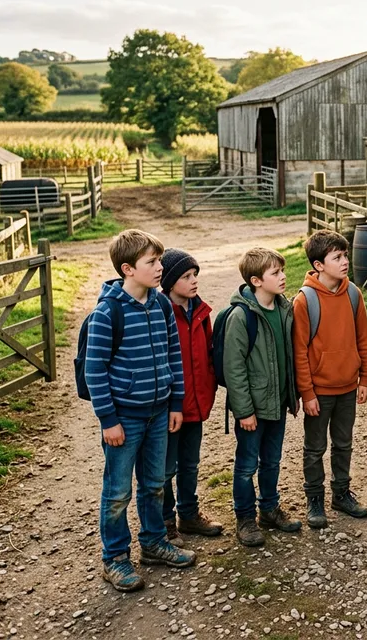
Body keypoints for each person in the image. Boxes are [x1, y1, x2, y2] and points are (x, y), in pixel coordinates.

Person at [85, 230, 195, 593]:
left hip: (160, 413)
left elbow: (173, 356)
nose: (160, 268)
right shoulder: (108, 313)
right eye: (152, 262)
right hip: (125, 419)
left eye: (159, 261)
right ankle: (115, 559)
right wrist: (109, 420)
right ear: (128, 269)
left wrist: (175, 402)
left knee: (154, 484)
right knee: (118, 491)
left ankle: (153, 544)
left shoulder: (162, 305)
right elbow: (94, 369)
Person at [293, 230, 367, 528]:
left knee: (344, 442)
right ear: (318, 265)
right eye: (336, 257)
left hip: (348, 386)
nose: (344, 262)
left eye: (345, 255)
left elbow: (363, 339)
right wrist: (307, 393)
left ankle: (341, 493)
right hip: (319, 391)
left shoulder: (353, 294)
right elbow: (299, 352)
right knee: (315, 447)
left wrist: (365, 377)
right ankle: (314, 498)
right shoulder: (305, 300)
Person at [223, 248, 302, 548]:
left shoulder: (284, 309)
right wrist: (243, 411)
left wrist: (291, 396)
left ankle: (269, 508)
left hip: (277, 403)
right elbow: (234, 368)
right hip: (252, 409)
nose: (283, 277)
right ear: (256, 281)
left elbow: (288, 356)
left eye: (282, 271)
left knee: (272, 460)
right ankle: (245, 518)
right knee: (246, 465)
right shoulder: (242, 316)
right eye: (276, 273)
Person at [160, 248, 223, 545]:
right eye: (186, 276)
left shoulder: (201, 312)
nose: (194, 280)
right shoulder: (160, 313)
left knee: (190, 463)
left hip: (196, 402)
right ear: (170, 282)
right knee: (165, 468)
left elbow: (208, 355)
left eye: (195, 274)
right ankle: (165, 522)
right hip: (169, 407)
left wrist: (209, 385)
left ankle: (188, 514)